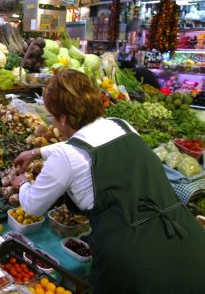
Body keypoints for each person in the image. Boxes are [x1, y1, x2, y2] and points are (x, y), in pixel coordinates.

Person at [12, 69, 205, 293]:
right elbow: (87, 143)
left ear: (63, 117)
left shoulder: (66, 156)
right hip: (187, 241)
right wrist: (37, 151)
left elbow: (34, 205)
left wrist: (23, 183)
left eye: (53, 117)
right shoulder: (121, 125)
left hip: (137, 267)